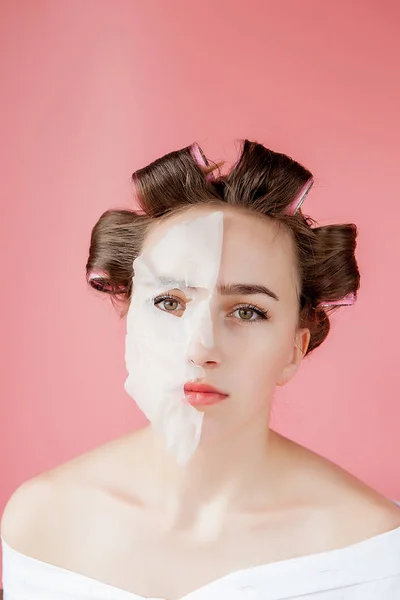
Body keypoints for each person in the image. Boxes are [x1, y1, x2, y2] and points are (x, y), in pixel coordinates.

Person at [2, 139, 400, 599]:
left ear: (295, 349)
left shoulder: (370, 551)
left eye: (248, 311)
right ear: (131, 321)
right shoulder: (42, 523)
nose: (200, 348)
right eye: (169, 302)